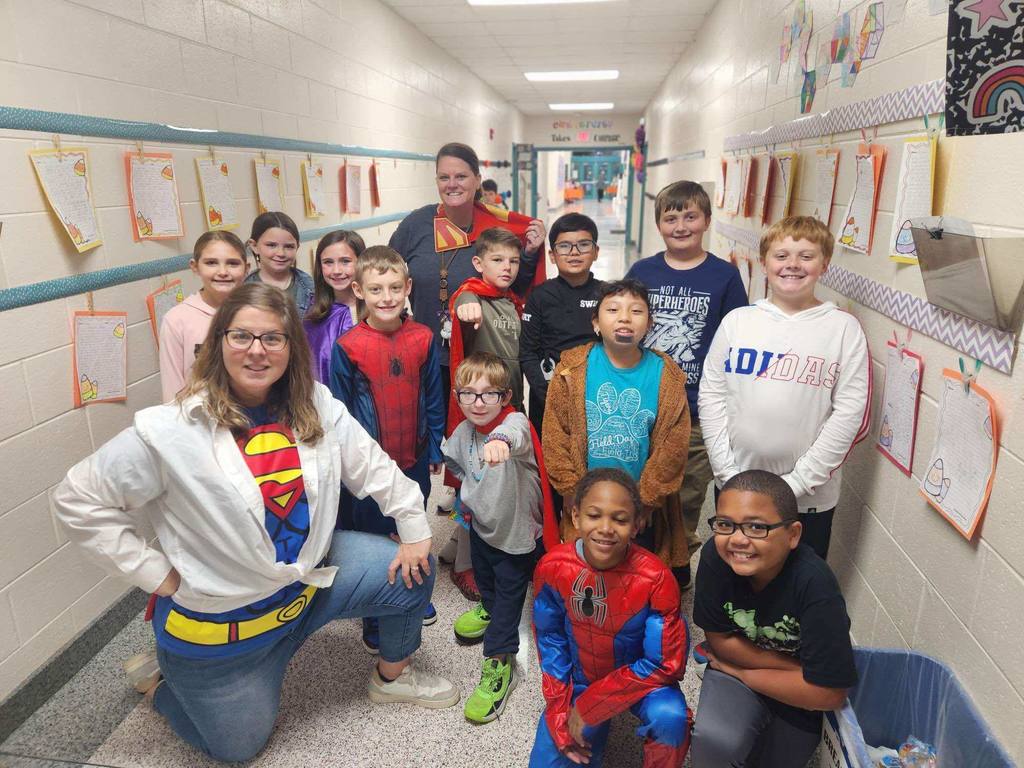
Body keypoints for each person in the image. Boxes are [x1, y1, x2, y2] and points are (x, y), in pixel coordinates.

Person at [53, 283, 458, 763]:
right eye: (242, 336)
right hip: (227, 628)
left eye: (273, 338)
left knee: (413, 567)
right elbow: (77, 499)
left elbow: (374, 467)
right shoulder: (170, 430)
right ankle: (169, 686)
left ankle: (394, 678)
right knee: (238, 749)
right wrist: (151, 572)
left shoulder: (316, 403)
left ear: (292, 346)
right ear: (219, 341)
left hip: (309, 589)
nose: (257, 351)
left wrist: (415, 527)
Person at [698, 216, 871, 559]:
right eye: (782, 255)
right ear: (764, 263)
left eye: (806, 256)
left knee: (793, 593)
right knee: (734, 581)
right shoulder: (738, 322)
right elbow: (712, 397)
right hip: (735, 485)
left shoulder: (843, 330)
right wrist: (727, 473)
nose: (792, 264)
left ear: (825, 264)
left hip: (808, 500)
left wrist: (795, 485)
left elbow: (849, 415)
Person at [625, 180, 747, 590]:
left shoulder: (724, 276)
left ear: (707, 221)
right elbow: (621, 323)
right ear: (658, 223)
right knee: (642, 491)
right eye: (670, 217)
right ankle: (638, 564)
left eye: (690, 216)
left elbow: (736, 341)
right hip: (642, 405)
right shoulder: (643, 271)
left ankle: (676, 565)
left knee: (687, 496)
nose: (681, 225)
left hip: (696, 413)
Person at [690, 470, 856, 768]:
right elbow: (719, 641)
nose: (738, 539)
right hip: (776, 675)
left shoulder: (815, 585)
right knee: (713, 743)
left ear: (792, 535)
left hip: (783, 690)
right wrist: (799, 670)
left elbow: (830, 693)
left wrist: (744, 673)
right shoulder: (716, 559)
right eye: (726, 525)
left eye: (756, 527)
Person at [530, 468, 691, 768]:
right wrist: (558, 708)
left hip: (643, 681)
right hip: (581, 678)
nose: (606, 528)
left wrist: (592, 706)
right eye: (594, 515)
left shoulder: (656, 578)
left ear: (637, 524)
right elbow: (550, 639)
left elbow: (664, 664)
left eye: (619, 519)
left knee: (670, 719)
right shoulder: (552, 568)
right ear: (575, 516)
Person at [329, 245, 445, 648]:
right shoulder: (347, 347)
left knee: (409, 529)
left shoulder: (424, 338)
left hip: (413, 460)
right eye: (376, 289)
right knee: (375, 539)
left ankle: (411, 594)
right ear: (359, 291)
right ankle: (374, 617)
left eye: (395, 287)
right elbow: (338, 413)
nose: (387, 297)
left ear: (408, 286)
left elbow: (434, 396)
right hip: (367, 470)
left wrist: (435, 447)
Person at [388, 142, 546, 424]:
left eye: (460, 176)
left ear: (477, 181)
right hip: (426, 356)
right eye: (443, 177)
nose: (452, 184)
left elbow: (513, 289)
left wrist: (530, 254)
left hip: (480, 362)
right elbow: (386, 274)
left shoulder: (495, 228)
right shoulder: (416, 225)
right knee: (430, 435)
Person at [543, 279, 691, 570]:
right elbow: (555, 435)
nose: (624, 317)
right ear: (596, 322)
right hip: (586, 505)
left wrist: (646, 501)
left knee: (638, 574)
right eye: (613, 310)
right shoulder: (572, 369)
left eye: (636, 311)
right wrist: (574, 495)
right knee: (585, 573)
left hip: (640, 506)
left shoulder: (667, 376)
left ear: (650, 323)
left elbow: (673, 446)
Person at [443, 352, 555, 725]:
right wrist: (468, 507)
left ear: (505, 397)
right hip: (484, 530)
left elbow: (516, 435)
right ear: (457, 396)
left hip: (516, 538)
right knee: (486, 582)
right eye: (468, 394)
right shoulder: (462, 432)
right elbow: (458, 469)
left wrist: (501, 442)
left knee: (508, 602)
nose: (477, 403)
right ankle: (488, 606)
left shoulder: (514, 424)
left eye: (488, 394)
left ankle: (499, 663)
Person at [520, 212, 604, 437]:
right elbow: (527, 352)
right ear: (552, 255)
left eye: (583, 245)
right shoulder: (540, 297)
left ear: (596, 252)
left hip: (596, 399)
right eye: (565, 246)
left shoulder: (607, 295)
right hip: (548, 400)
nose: (574, 252)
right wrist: (548, 395)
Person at [159, 231, 249, 401]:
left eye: (233, 263)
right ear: (195, 266)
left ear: (246, 268)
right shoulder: (177, 320)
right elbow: (172, 390)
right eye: (211, 263)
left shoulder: (257, 313)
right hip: (198, 421)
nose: (222, 272)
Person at [304, 229, 364, 383]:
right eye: (328, 262)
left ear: (361, 262)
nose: (336, 271)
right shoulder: (313, 317)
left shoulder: (376, 310)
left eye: (345, 261)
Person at [245, 211, 315, 316]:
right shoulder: (243, 290)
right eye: (271, 245)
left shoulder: (309, 287)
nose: (281, 253)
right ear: (254, 246)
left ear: (297, 247)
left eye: (289, 246)